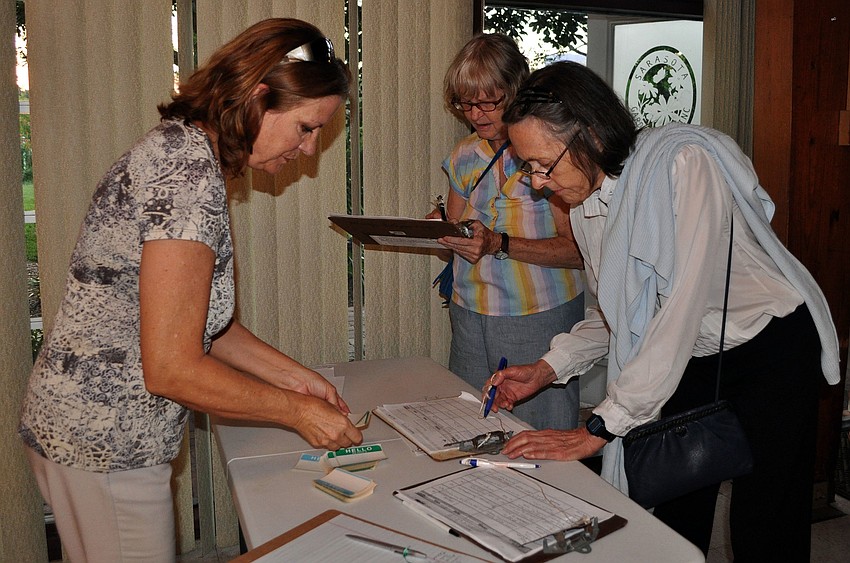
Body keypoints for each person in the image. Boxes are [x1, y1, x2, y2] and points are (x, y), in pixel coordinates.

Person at [19, 18, 362, 562]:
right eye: (306, 127)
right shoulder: (186, 179)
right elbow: (173, 367)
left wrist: (294, 379)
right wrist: (296, 413)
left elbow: (196, 321)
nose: (310, 149)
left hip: (86, 431)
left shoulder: (182, 153)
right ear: (257, 98)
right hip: (108, 444)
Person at [490, 61, 840, 560]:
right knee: (673, 507)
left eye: (544, 164)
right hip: (689, 354)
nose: (540, 182)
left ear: (589, 133)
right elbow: (621, 314)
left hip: (769, 344)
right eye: (529, 169)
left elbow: (681, 305)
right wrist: (547, 369)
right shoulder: (587, 206)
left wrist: (600, 427)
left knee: (765, 520)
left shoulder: (683, 164)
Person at [430, 34, 585, 431]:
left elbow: (578, 252)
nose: (476, 114)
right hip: (469, 312)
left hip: (539, 315)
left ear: (516, 92)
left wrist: (498, 243)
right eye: (466, 103)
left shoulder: (549, 150)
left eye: (489, 101)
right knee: (473, 425)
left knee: (539, 432)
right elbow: (459, 242)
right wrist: (441, 233)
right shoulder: (464, 154)